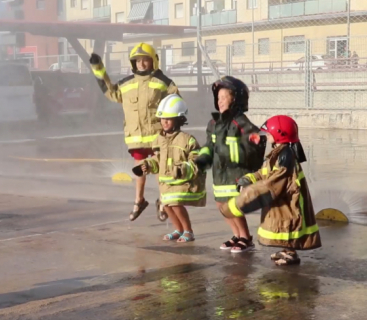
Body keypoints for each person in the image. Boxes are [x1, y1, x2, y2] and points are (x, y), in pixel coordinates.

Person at [89, 43, 180, 222]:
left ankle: (163, 200)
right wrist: (97, 68)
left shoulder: (164, 83)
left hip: (158, 136)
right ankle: (139, 200)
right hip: (136, 138)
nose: (141, 64)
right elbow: (111, 92)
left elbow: (176, 104)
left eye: (145, 60)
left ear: (153, 61)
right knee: (140, 169)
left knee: (161, 170)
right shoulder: (126, 83)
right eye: (137, 61)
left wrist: (173, 129)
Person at [219, 115, 321, 265]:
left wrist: (238, 203)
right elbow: (264, 172)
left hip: (288, 201)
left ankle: (291, 254)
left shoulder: (286, 157)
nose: (266, 136)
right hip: (283, 201)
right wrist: (249, 178)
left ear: (280, 134)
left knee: (288, 225)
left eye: (268, 133)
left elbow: (272, 183)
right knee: (283, 225)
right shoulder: (278, 153)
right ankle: (286, 251)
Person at [195, 76, 265, 253]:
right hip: (219, 173)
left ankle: (245, 237)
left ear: (236, 99)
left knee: (233, 206)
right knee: (221, 205)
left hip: (236, 173)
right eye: (218, 98)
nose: (220, 102)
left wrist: (244, 159)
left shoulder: (241, 122)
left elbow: (258, 140)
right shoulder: (214, 123)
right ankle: (236, 234)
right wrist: (203, 158)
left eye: (224, 97)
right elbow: (209, 145)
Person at [132, 94, 206, 243]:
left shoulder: (187, 140)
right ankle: (178, 229)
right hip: (165, 183)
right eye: (162, 118)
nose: (164, 122)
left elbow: (197, 161)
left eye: (169, 118)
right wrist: (147, 165)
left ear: (179, 119)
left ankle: (188, 231)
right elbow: (158, 160)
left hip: (182, 182)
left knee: (175, 203)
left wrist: (182, 169)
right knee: (166, 205)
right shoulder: (158, 140)